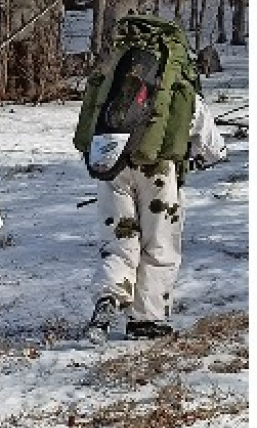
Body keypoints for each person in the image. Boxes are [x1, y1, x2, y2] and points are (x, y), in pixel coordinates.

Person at [81, 26, 231, 341]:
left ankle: (109, 297)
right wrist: (206, 156)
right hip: (159, 172)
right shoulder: (177, 84)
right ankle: (146, 320)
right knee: (159, 243)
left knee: (119, 240)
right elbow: (213, 146)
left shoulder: (114, 79)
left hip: (115, 164)